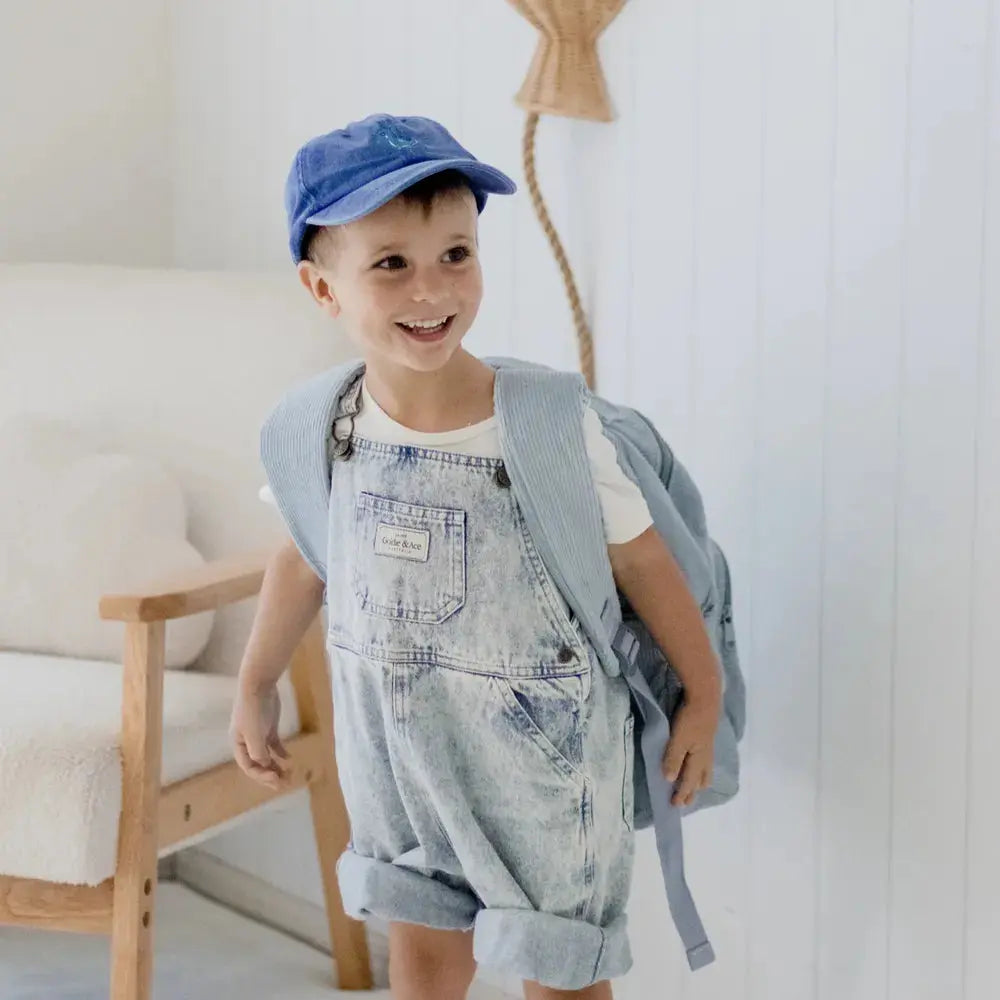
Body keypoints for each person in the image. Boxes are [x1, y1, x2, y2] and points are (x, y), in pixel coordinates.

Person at [229, 113, 722, 1000]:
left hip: (543, 754)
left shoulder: (546, 426)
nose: (432, 288)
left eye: (456, 254)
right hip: (397, 752)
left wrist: (704, 691)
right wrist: (255, 680)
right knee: (420, 953)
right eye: (392, 264)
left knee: (560, 966)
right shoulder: (323, 429)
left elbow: (645, 566)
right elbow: (302, 560)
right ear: (322, 287)